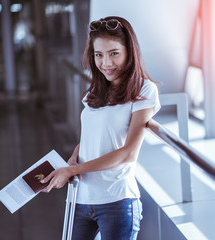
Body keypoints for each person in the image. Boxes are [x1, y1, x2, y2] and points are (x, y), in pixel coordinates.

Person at [41, 16, 161, 240]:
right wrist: (72, 160)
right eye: (99, 55)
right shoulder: (95, 91)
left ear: (129, 52)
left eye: (114, 53)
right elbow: (91, 137)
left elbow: (129, 153)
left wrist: (73, 171)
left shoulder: (144, 90)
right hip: (80, 198)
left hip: (117, 201)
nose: (106, 63)